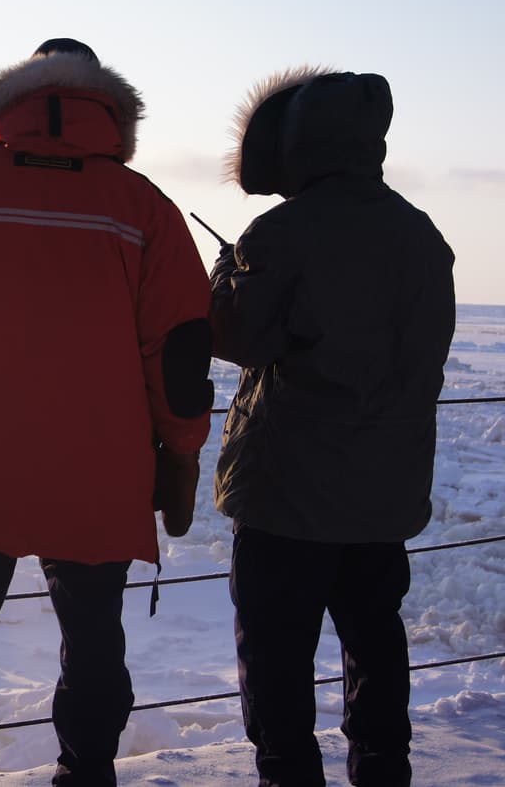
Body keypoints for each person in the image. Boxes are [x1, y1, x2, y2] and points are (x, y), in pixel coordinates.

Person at [0, 38, 214, 787]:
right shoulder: (142, 207)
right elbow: (181, 346)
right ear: (109, 112)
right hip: (99, 471)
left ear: (10, 106)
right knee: (94, 641)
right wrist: (180, 455)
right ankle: (86, 773)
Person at [209, 67, 456, 787]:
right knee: (376, 648)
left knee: (278, 665)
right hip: (382, 497)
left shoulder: (283, 231)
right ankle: (383, 770)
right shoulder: (421, 235)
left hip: (287, 494)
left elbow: (237, 336)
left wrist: (228, 275)